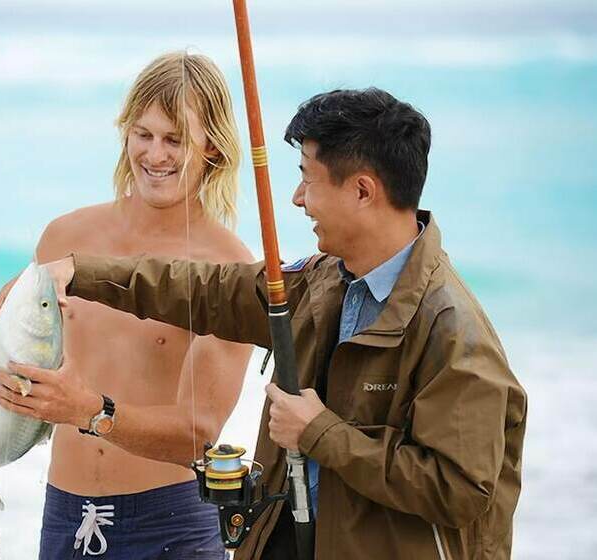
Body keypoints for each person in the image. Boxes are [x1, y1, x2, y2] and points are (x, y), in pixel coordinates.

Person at [36, 88, 528, 559]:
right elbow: (203, 290)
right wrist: (79, 272)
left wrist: (321, 433)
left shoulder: (454, 332)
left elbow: (461, 490)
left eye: (308, 179)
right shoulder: (322, 281)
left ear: (362, 191)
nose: (297, 198)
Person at [0, 52, 254, 560]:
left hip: (172, 526)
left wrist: (88, 411)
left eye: (175, 140)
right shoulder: (65, 238)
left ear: (211, 145)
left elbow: (197, 435)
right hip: (65, 518)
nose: (155, 154)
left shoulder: (227, 267)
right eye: (143, 134)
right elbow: (24, 383)